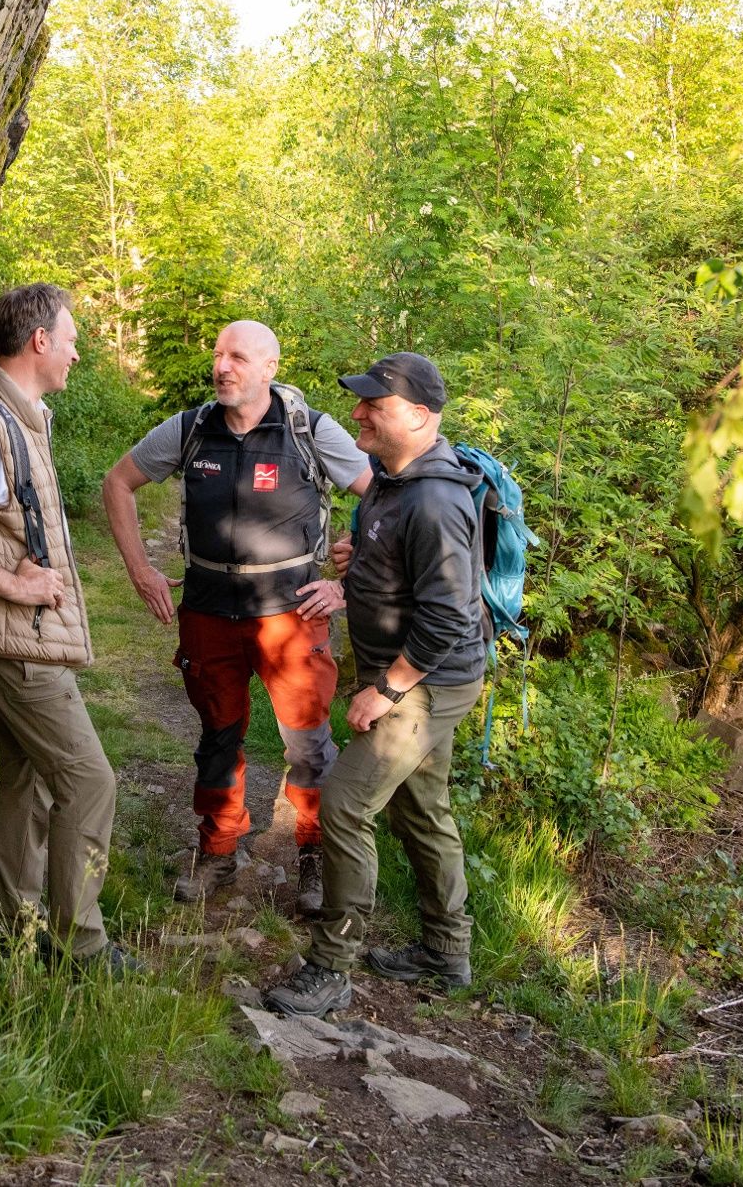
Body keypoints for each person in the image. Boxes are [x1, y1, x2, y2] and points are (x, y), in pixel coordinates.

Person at [101, 321, 371, 913]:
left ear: (270, 368)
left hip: (292, 615)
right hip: (207, 610)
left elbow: (383, 496)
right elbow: (118, 482)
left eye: (239, 357)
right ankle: (217, 851)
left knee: (307, 744)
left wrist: (346, 581)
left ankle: (315, 858)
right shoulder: (192, 428)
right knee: (218, 736)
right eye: (219, 355)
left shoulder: (309, 430)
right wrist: (141, 570)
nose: (223, 367)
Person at [0, 283, 135, 974]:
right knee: (90, 781)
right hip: (15, 639)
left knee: (28, 780)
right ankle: (80, 946)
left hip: (22, 633)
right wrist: (13, 584)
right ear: (39, 340)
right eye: (70, 336)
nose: (76, 348)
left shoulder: (25, 416)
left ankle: (16, 928)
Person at [262, 352, 485, 1016]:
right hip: (418, 674)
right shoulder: (394, 480)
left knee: (342, 802)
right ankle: (447, 951)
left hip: (426, 683)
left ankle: (332, 966)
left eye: (373, 405)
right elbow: (406, 575)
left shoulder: (437, 499)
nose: (357, 413)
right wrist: (359, 568)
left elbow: (448, 613)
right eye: (358, 402)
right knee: (422, 809)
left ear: (418, 415)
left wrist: (386, 689)